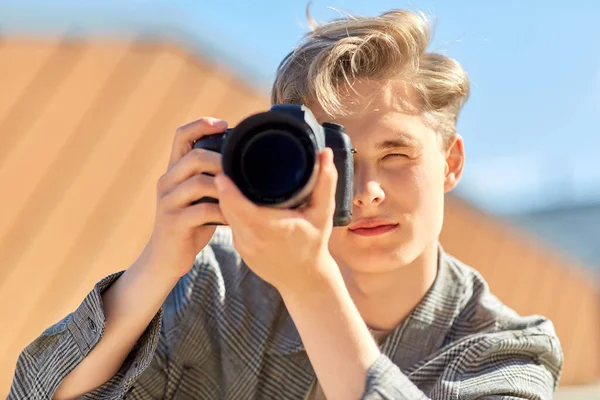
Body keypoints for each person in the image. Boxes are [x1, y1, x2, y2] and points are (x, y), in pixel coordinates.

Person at [9, 8, 562, 400]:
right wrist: (159, 262)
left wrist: (307, 283)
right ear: (292, 160)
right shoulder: (219, 285)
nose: (368, 190)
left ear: (450, 163)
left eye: (396, 154)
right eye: (339, 158)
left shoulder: (507, 350)